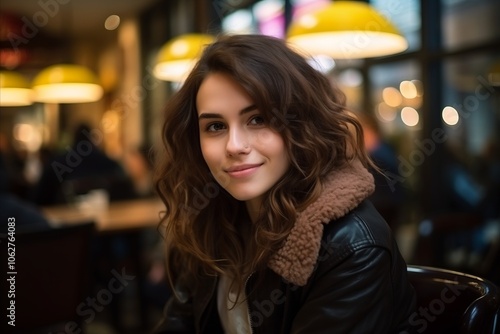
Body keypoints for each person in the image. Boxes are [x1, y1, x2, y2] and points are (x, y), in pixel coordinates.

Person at [153, 34, 416, 333]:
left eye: (258, 119)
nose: (234, 145)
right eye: (215, 126)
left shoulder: (353, 247)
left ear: (302, 125)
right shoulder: (213, 219)